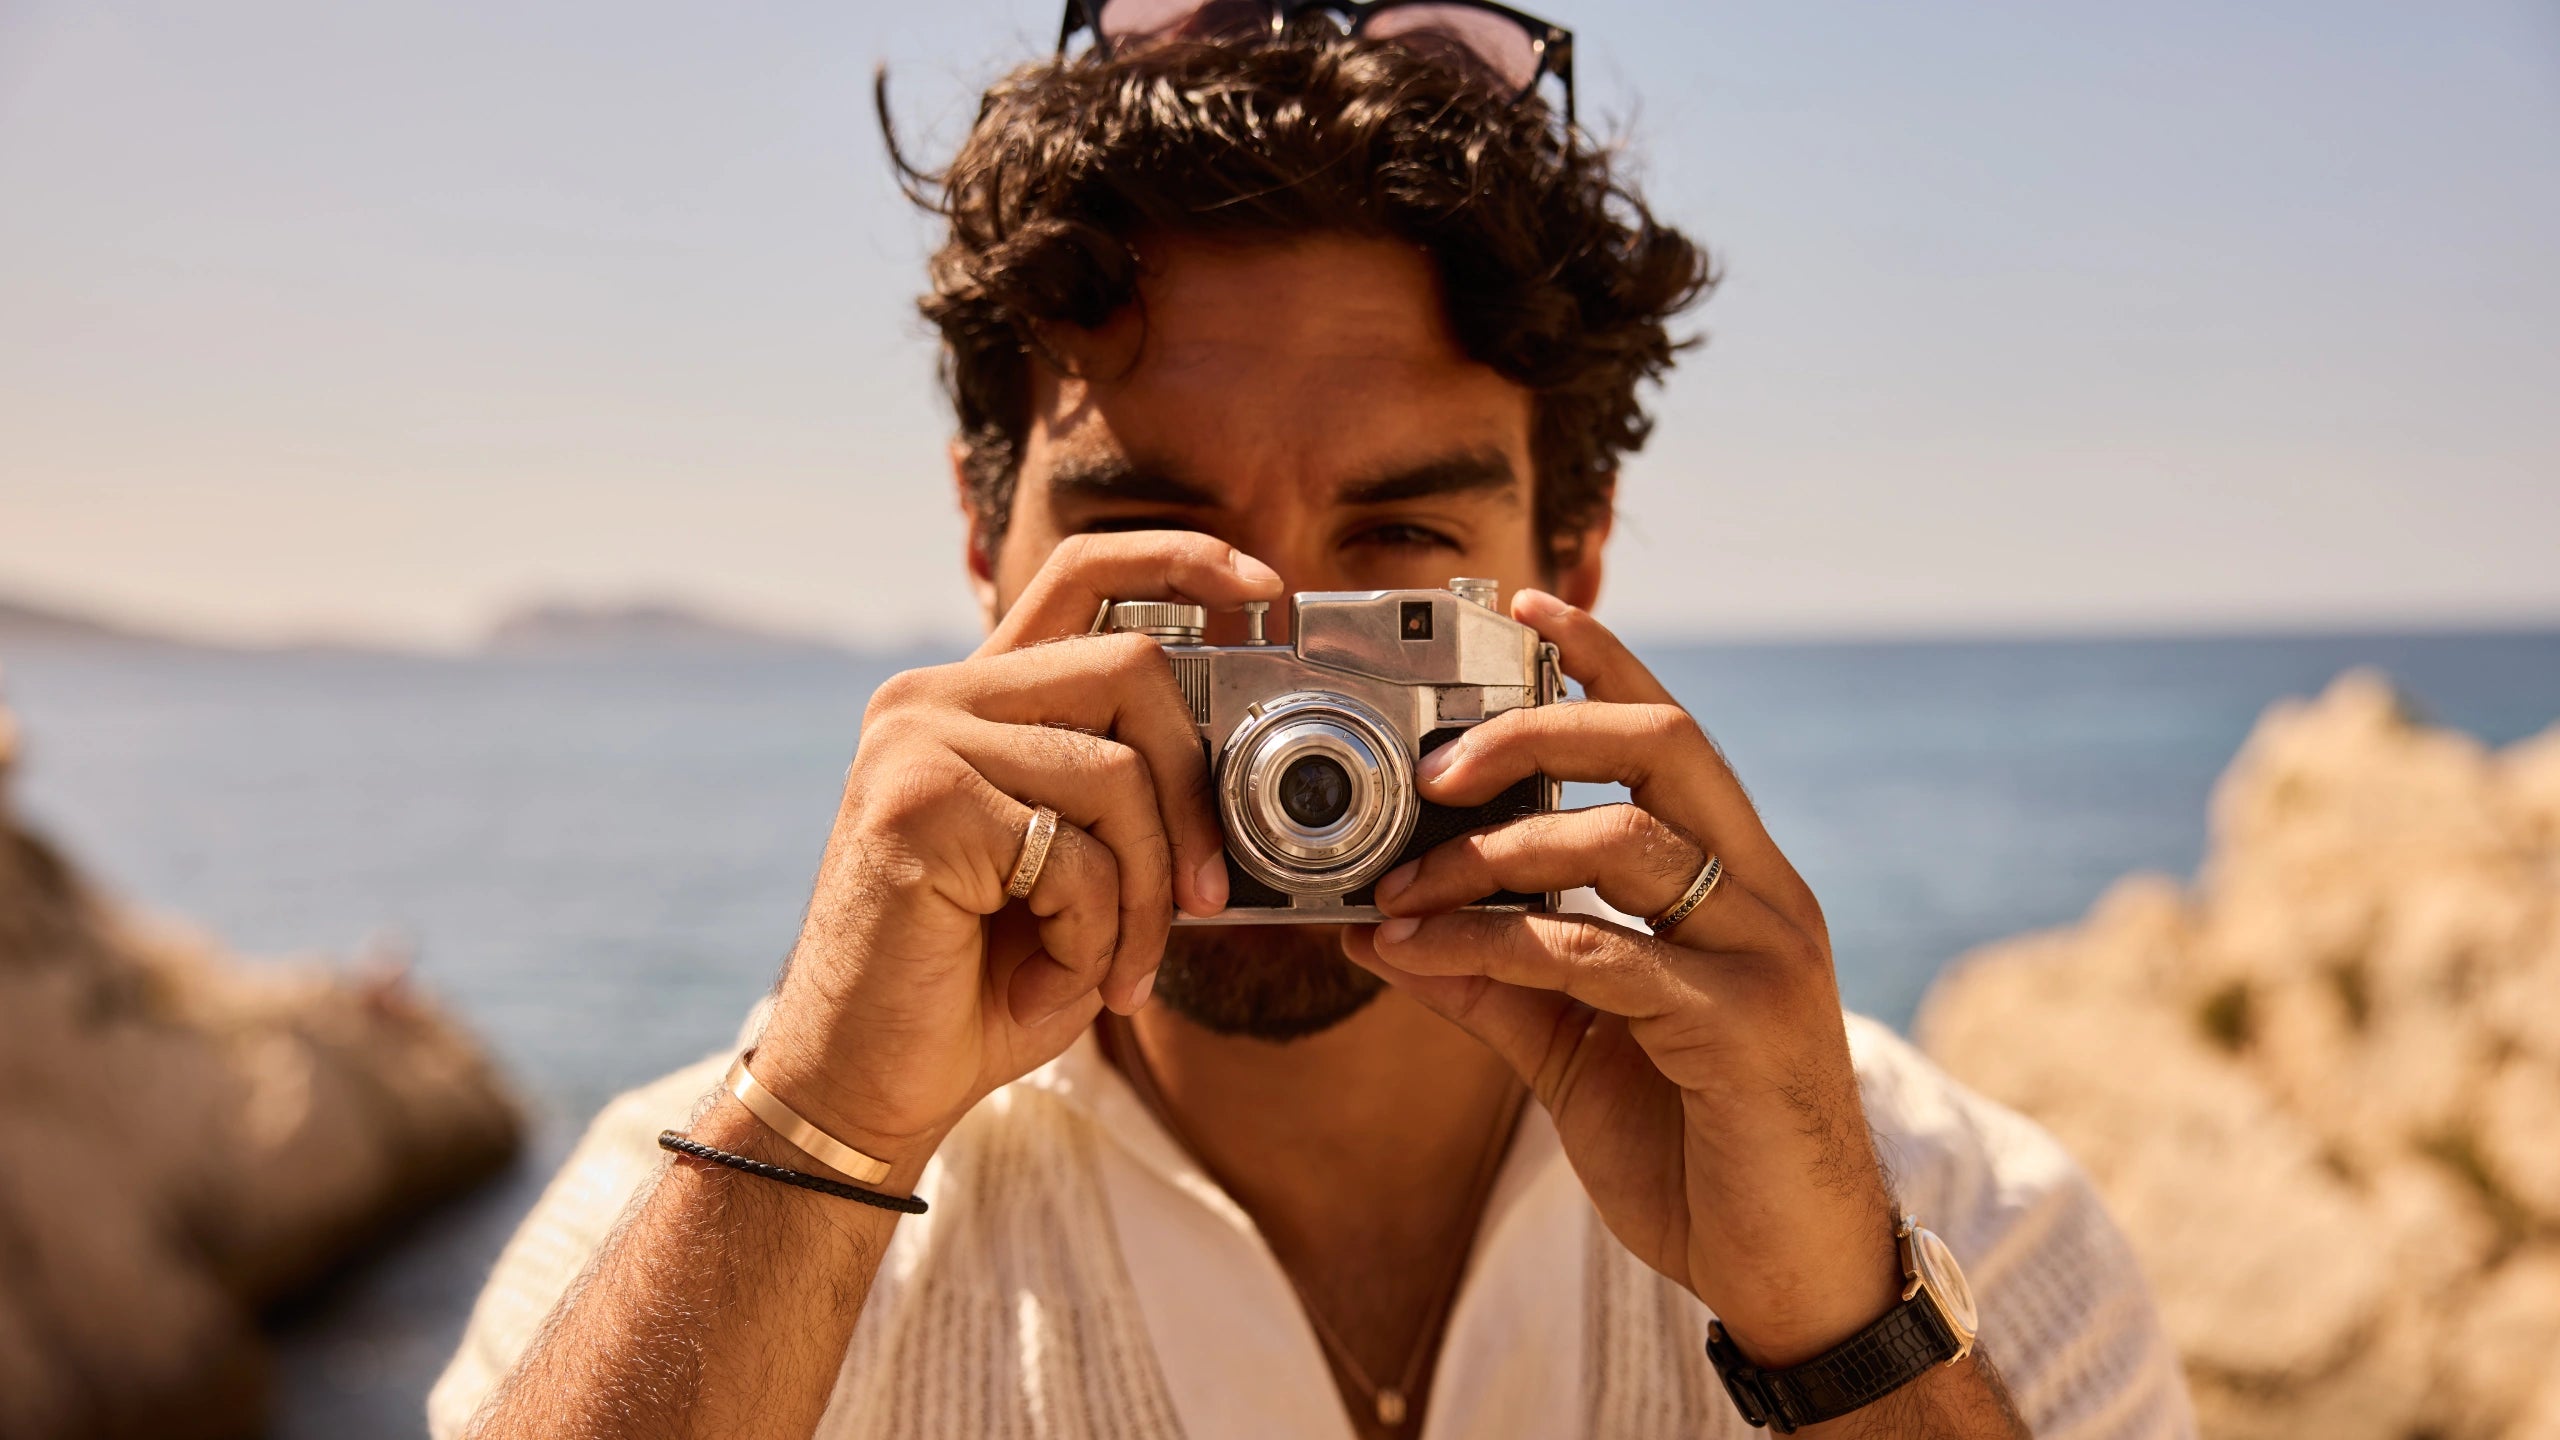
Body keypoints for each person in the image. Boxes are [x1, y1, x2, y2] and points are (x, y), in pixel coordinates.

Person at [431, 5, 2190, 1437]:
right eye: (1150, 544)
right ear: (986, 548)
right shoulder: (685, 1226)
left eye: (1399, 554)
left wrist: (1839, 1336)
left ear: (1567, 562)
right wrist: (818, 1135)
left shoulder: (1972, 1228)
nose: (1274, 676)